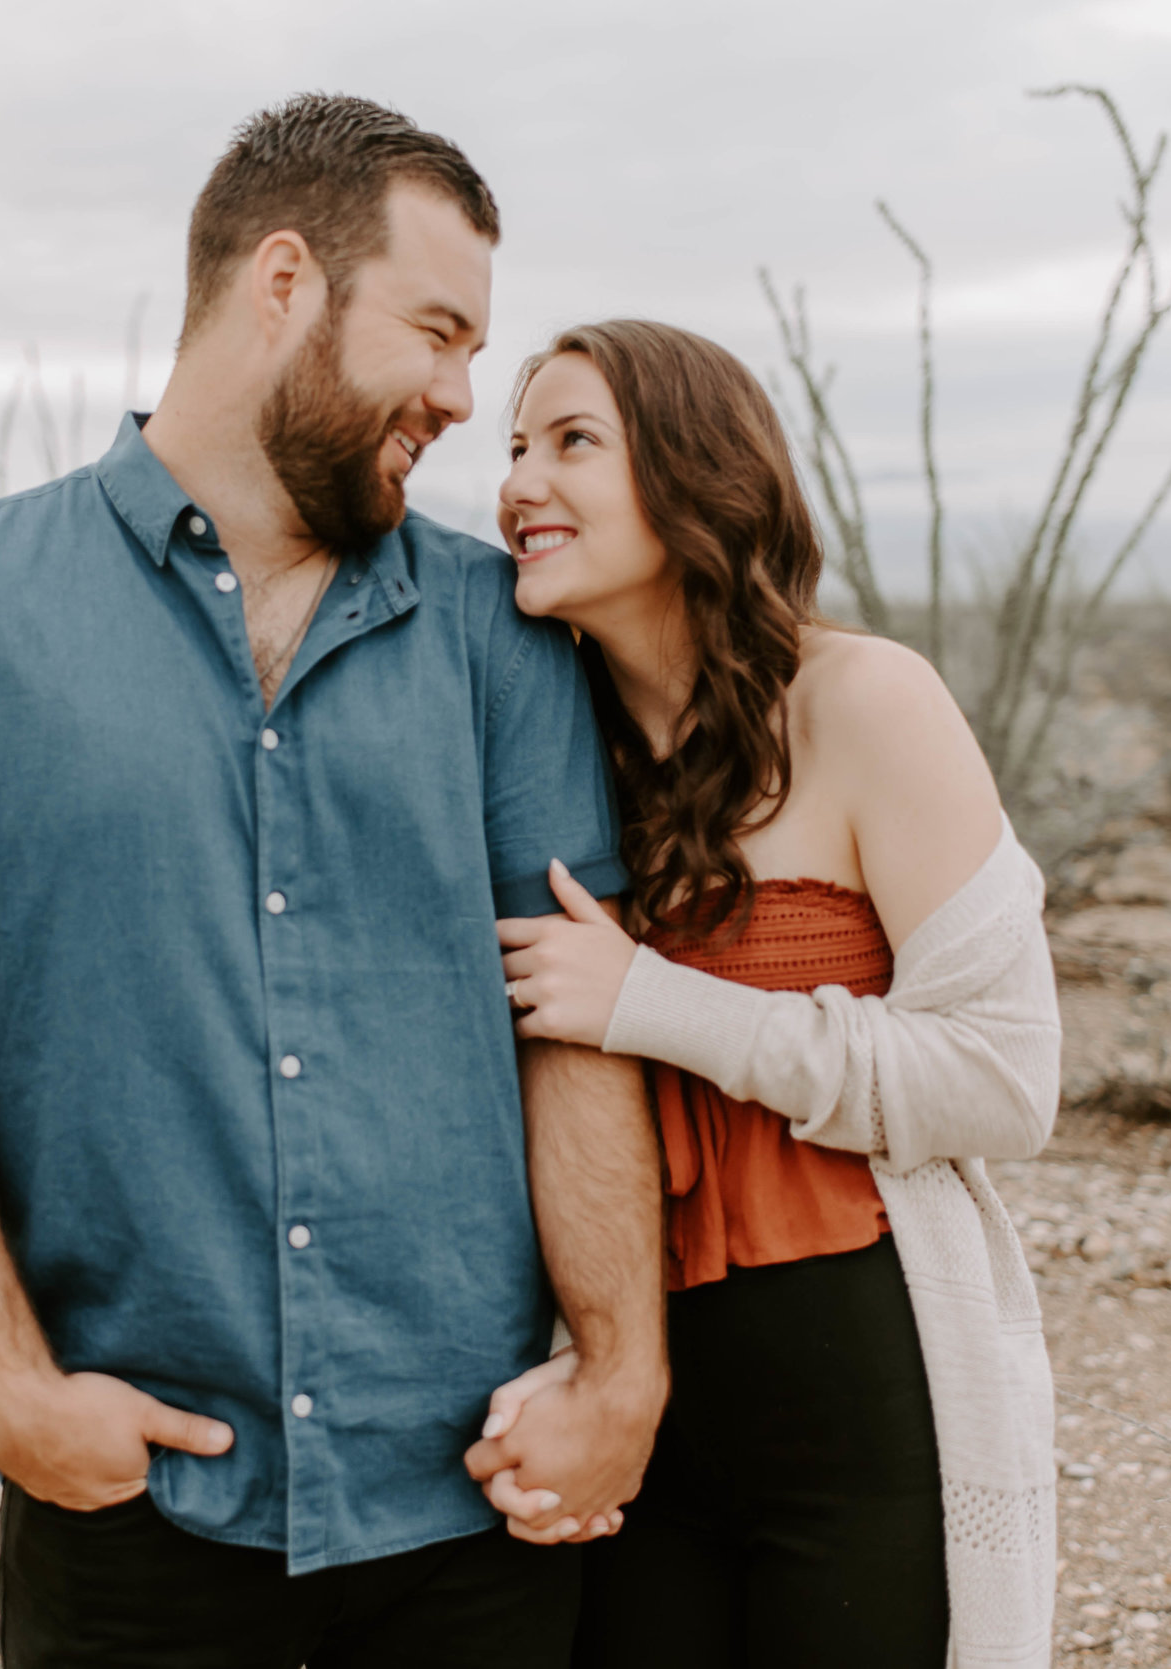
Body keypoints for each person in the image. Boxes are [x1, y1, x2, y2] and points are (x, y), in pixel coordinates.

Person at [0, 98, 666, 1669]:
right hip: (136, 1512)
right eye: (438, 331)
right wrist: (9, 1398)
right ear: (284, 282)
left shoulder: (501, 632)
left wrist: (622, 1370)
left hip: (472, 1498)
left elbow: (570, 1015)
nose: (468, 397)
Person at [470, 320, 1062, 1668]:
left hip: (862, 1386)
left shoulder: (864, 702)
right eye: (511, 449)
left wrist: (656, 1001)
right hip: (641, 1400)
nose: (517, 485)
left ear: (695, 474)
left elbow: (1010, 1078)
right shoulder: (548, 750)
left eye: (572, 441)